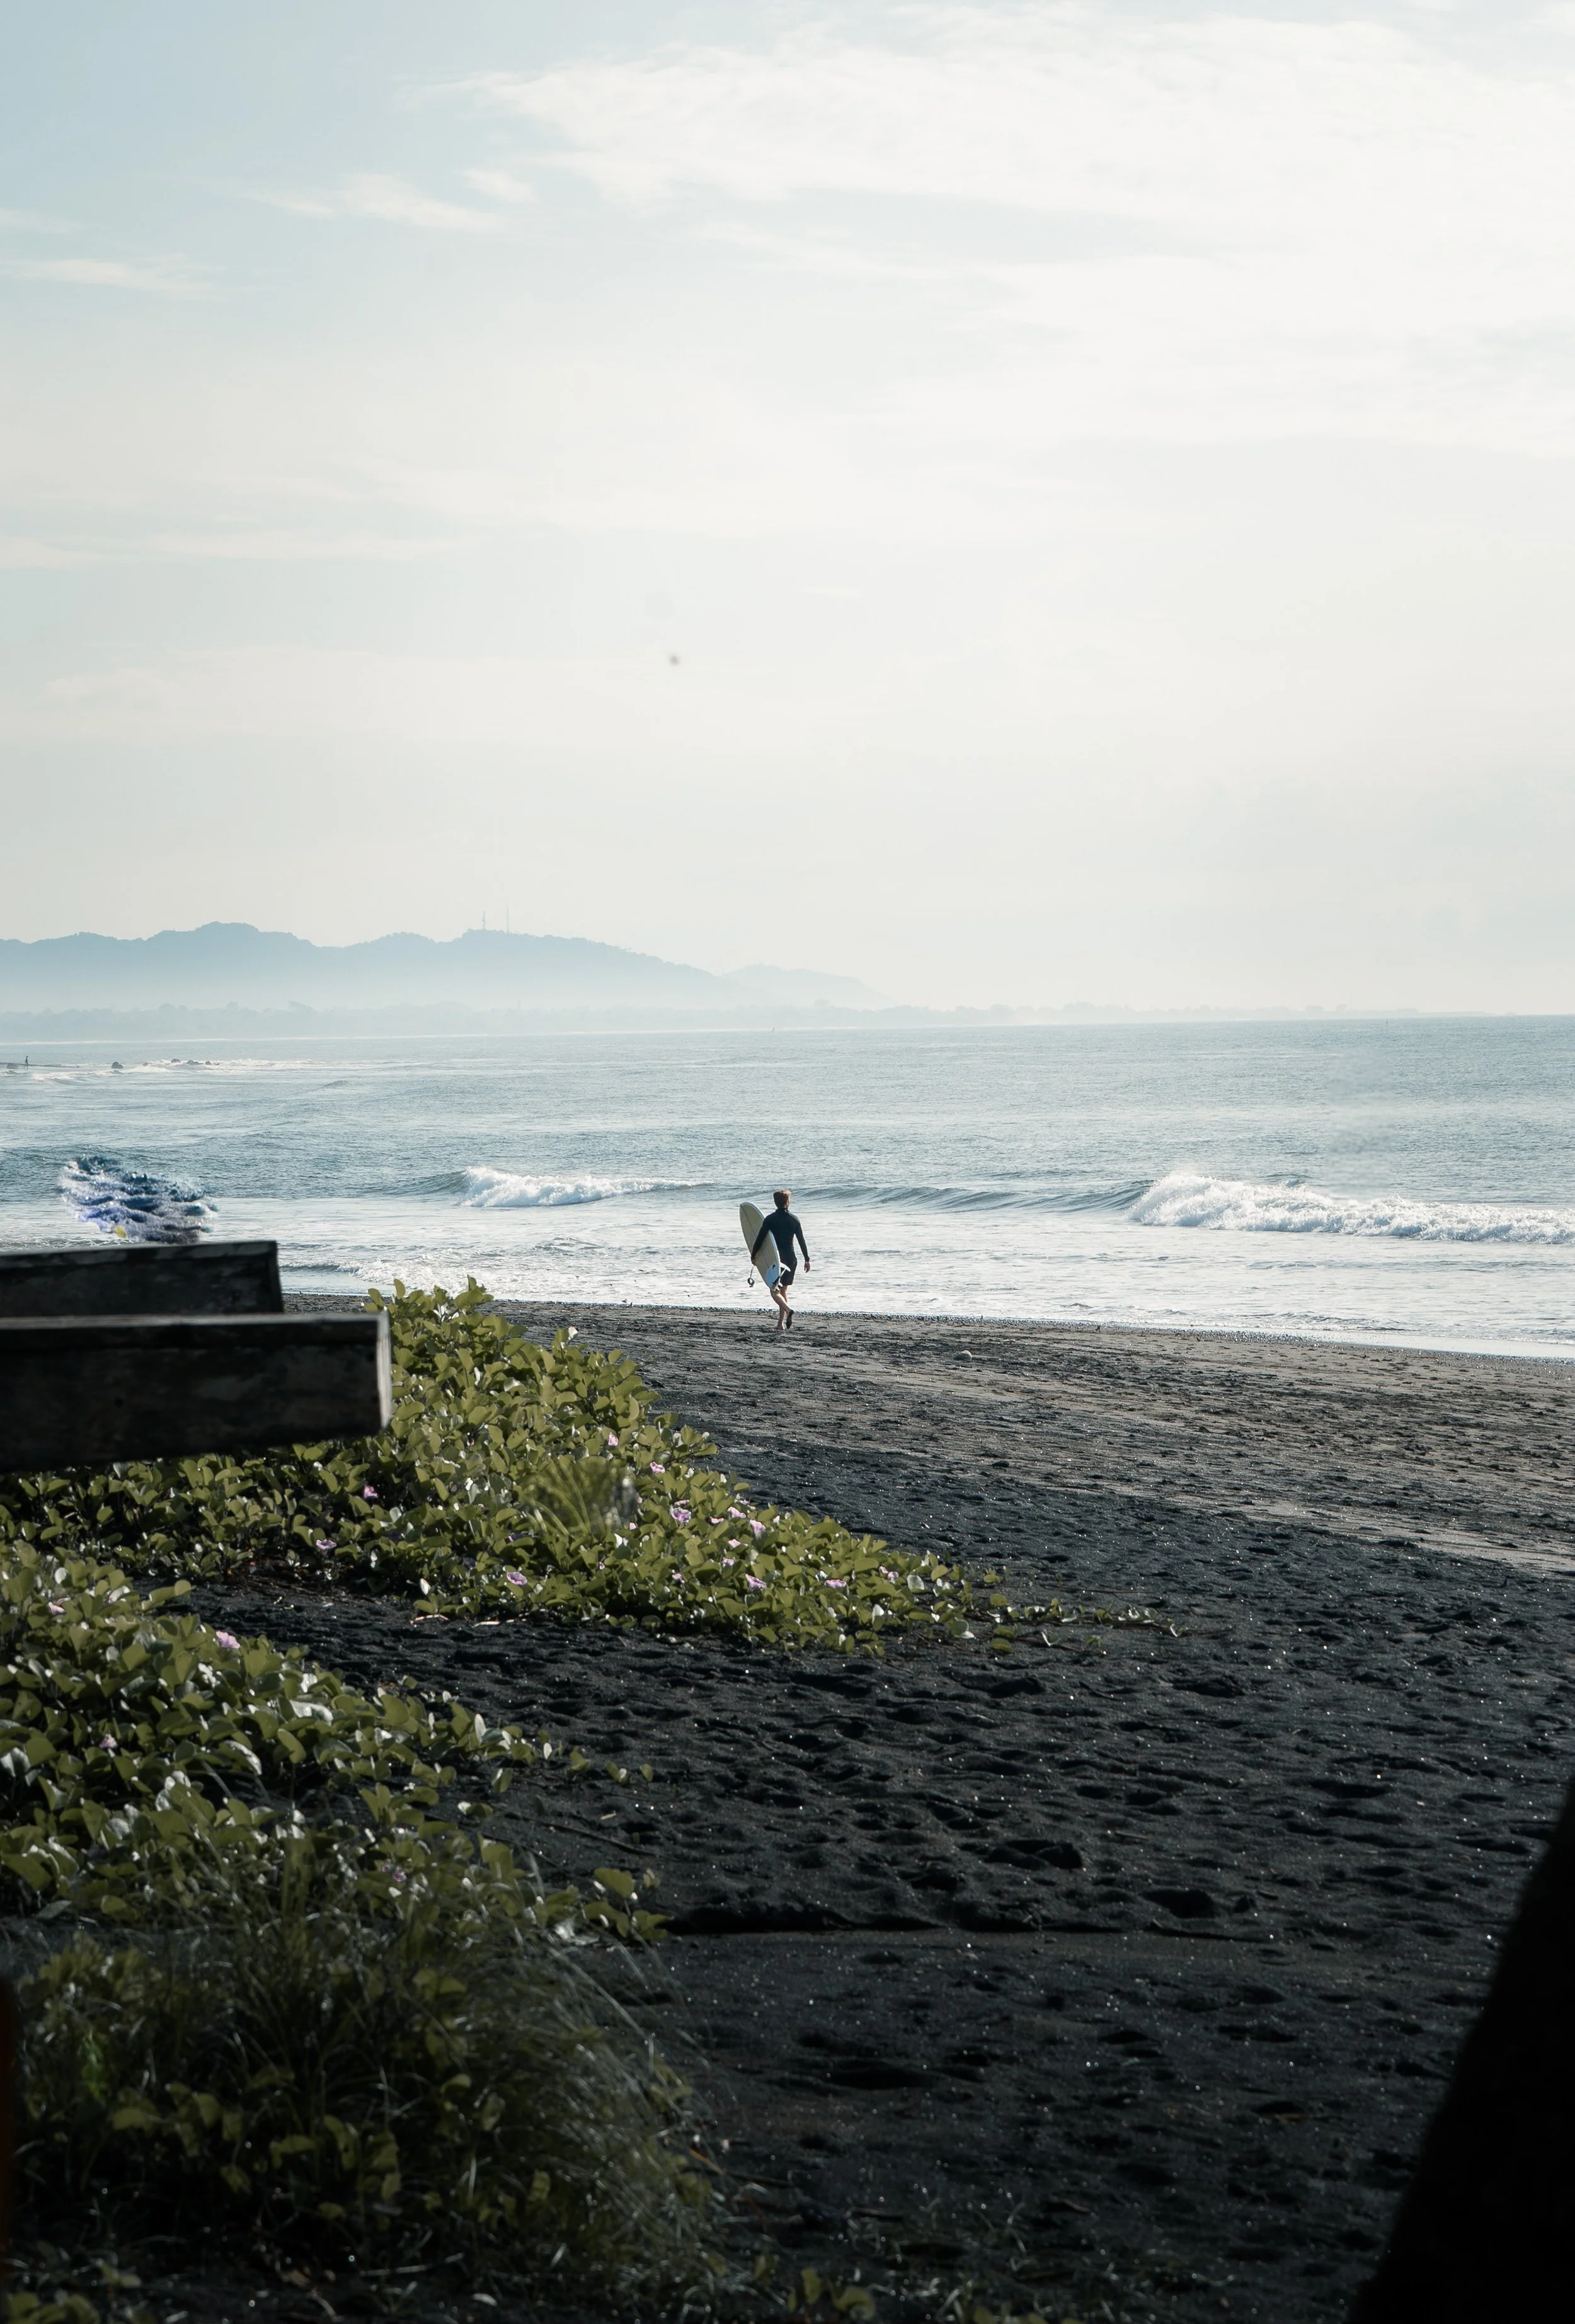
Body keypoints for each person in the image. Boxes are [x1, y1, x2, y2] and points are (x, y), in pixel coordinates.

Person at [752, 1188, 810, 1332]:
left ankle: (788, 1310)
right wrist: (807, 1259)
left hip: (776, 1258)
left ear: (775, 1202)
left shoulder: (770, 1219)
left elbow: (760, 1239)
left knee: (774, 1291)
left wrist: (754, 1255)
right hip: (791, 1258)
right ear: (788, 1202)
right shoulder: (794, 1219)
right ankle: (780, 1324)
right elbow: (802, 1241)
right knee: (783, 1290)